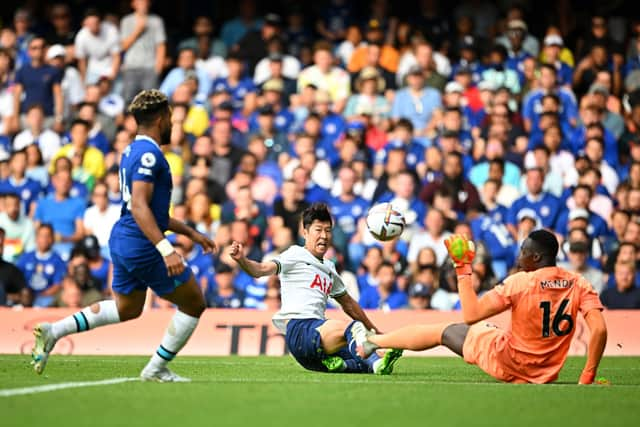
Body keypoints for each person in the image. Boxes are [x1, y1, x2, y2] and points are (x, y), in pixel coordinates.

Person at [30, 90, 216, 382]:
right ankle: (155, 369)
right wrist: (165, 248)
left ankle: (55, 331)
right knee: (194, 302)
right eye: (169, 118)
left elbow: (152, 211)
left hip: (125, 237)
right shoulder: (149, 155)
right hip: (141, 242)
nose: (172, 124)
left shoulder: (131, 151)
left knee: (127, 309)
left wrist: (192, 233)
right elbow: (140, 205)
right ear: (159, 119)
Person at [355, 230, 608, 384]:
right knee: (483, 327)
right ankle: (378, 342)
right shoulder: (579, 283)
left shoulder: (519, 283)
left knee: (444, 331)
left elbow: (470, 315)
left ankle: (375, 342)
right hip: (546, 372)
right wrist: (587, 376)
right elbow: (599, 331)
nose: (519, 258)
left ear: (536, 258)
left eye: (523, 252)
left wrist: (462, 269)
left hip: (509, 361)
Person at [229, 202, 402, 374]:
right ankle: (375, 361)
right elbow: (260, 270)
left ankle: (355, 365)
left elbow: (349, 304)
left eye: (328, 230)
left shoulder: (329, 268)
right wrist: (241, 260)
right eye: (318, 230)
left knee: (359, 358)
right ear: (305, 232)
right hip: (300, 328)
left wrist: (374, 331)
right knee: (355, 329)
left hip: (312, 347)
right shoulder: (295, 254)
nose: (324, 236)